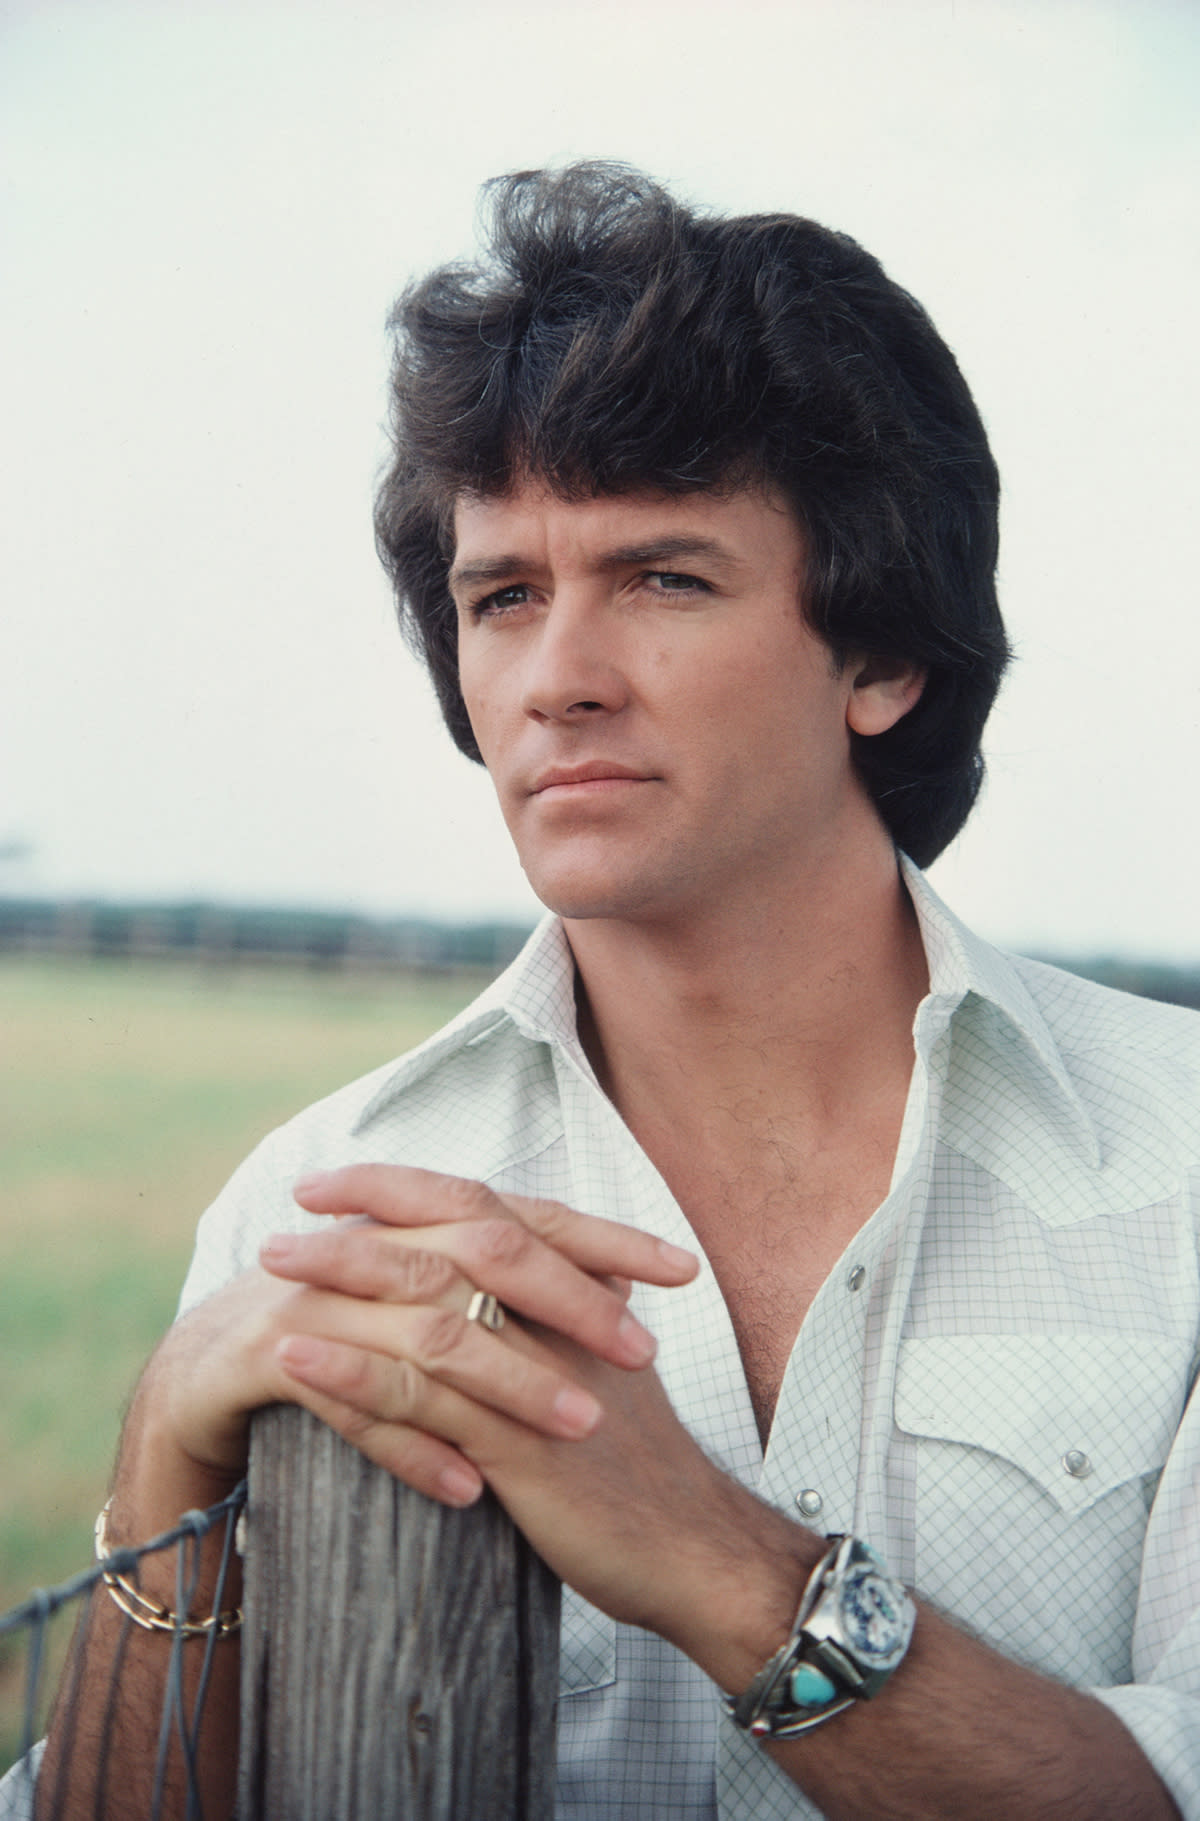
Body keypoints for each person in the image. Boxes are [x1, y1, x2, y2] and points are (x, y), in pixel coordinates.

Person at [22, 162, 1200, 1819]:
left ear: (881, 656)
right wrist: (161, 1462)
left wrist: (720, 1564)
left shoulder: (1187, 1170)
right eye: (503, 596)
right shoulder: (312, 1206)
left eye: (664, 577)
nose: (557, 678)